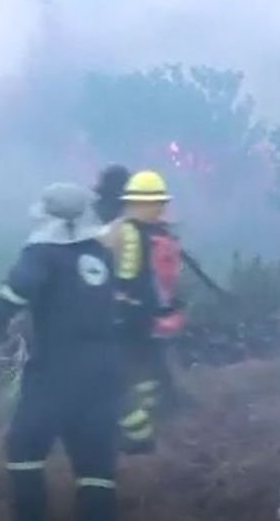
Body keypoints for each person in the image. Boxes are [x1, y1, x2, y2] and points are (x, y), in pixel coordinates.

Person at [0, 182, 123, 521]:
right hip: (104, 372)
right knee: (95, 465)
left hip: (56, 369)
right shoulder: (100, 253)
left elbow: (14, 296)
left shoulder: (42, 252)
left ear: (48, 216)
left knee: (23, 448)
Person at [104, 170, 185, 454]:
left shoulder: (122, 230)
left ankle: (138, 437)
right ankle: (154, 413)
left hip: (126, 316)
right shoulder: (162, 232)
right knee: (147, 370)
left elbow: (113, 274)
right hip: (157, 315)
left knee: (121, 375)